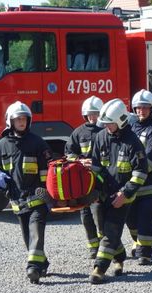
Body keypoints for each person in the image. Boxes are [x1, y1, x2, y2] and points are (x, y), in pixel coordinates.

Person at [0, 101, 52, 284]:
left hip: (37, 199)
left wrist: (50, 196)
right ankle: (42, 263)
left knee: (36, 232)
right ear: (10, 121)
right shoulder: (2, 145)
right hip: (18, 202)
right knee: (27, 238)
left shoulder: (37, 143)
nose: (22, 122)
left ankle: (33, 268)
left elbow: (49, 171)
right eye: (18, 119)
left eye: (24, 119)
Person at [88, 98, 148, 284]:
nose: (107, 127)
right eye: (105, 123)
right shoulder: (100, 137)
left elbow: (140, 173)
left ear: (121, 120)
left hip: (123, 197)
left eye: (110, 123)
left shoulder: (133, 142)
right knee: (102, 229)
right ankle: (120, 256)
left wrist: (125, 194)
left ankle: (99, 268)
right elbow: (96, 168)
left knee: (111, 231)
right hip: (102, 195)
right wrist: (94, 193)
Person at [126, 89, 152, 266]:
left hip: (151, 182)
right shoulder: (131, 127)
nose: (141, 111)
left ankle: (145, 253)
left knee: (146, 217)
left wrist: (132, 172)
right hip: (132, 181)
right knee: (131, 217)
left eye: (144, 108)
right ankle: (137, 243)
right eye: (138, 108)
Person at [64, 96, 104, 259]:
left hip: (99, 180)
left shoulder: (105, 131)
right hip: (82, 181)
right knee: (85, 214)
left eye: (96, 114)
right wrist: (80, 160)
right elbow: (68, 153)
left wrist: (95, 163)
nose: (93, 117)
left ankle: (105, 246)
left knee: (99, 213)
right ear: (85, 115)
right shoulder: (78, 132)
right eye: (90, 114)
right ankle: (93, 247)